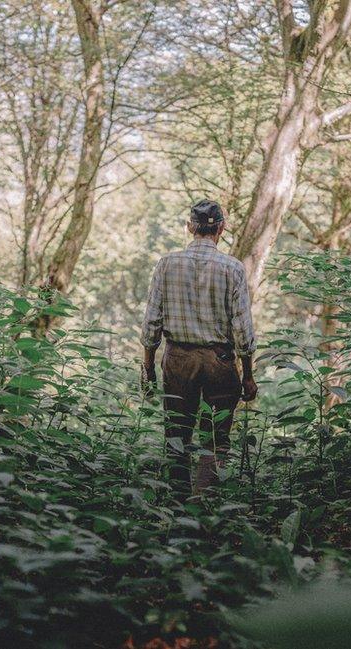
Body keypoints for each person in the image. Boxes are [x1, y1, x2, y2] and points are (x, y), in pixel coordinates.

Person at [140, 199, 258, 497]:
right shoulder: (233, 268)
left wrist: (148, 367)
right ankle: (204, 498)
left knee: (177, 432)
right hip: (218, 361)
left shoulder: (166, 264)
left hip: (177, 360)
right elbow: (242, 327)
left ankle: (178, 502)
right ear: (221, 228)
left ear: (190, 227)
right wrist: (248, 375)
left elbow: (152, 321)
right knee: (215, 438)